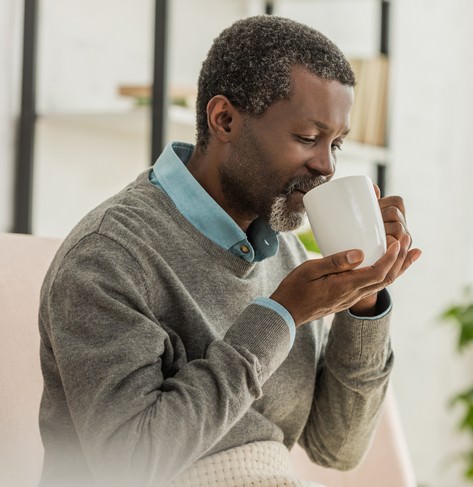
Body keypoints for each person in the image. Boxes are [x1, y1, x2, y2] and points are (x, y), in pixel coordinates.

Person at [37, 15, 420, 487]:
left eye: (336, 143)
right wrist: (280, 315)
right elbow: (130, 463)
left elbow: (337, 448)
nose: (326, 165)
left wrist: (363, 301)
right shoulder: (110, 256)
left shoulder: (289, 257)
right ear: (225, 120)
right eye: (307, 138)